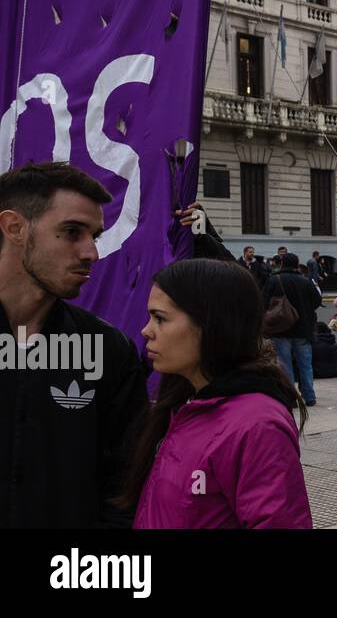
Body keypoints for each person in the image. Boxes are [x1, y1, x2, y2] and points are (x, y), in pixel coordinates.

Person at [0, 162, 148, 528]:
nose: (91, 254)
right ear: (15, 228)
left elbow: (125, 485)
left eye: (94, 236)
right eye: (71, 232)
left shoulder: (109, 349)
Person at [124, 258, 312, 528]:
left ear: (210, 323)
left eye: (160, 318)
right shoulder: (185, 402)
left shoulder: (257, 426)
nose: (146, 330)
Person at [262, 252, 320, 407]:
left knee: (285, 364)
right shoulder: (306, 281)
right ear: (296, 265)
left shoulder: (274, 280)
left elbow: (263, 302)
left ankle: (290, 397)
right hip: (303, 329)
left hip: (281, 329)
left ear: (282, 264)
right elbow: (316, 301)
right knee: (305, 365)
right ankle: (309, 396)